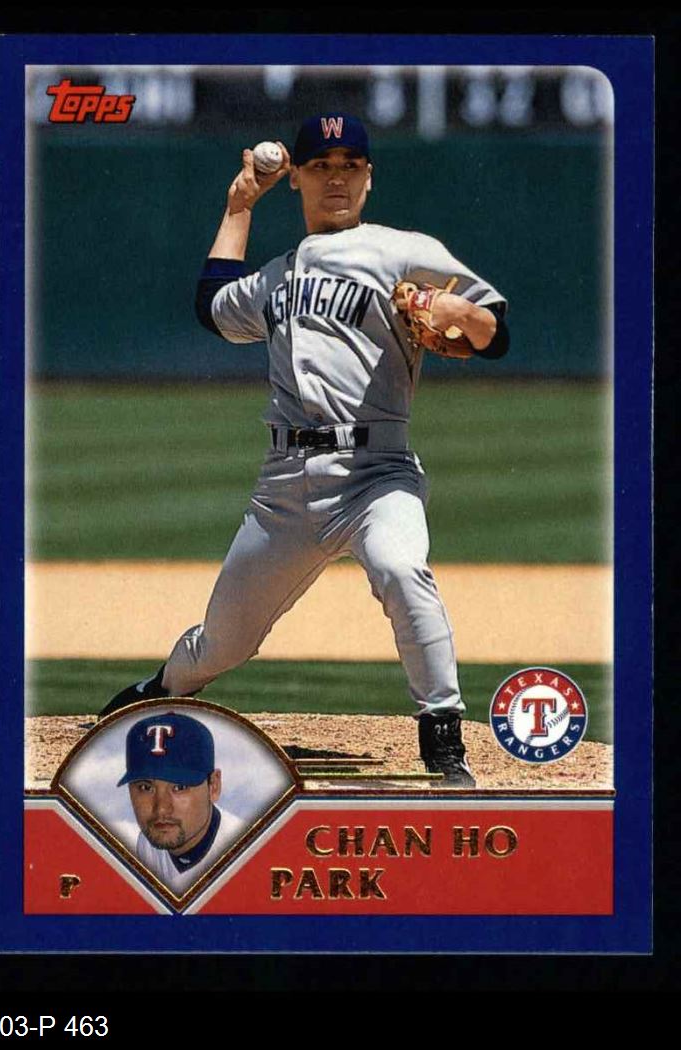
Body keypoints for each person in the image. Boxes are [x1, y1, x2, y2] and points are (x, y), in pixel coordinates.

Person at [102, 113, 510, 785]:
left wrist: (459, 313)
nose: (336, 177)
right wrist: (239, 206)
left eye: (350, 164)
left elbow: (496, 332)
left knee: (401, 568)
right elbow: (212, 306)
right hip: (286, 487)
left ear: (369, 176)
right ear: (295, 178)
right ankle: (162, 689)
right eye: (321, 165)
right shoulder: (278, 275)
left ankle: (442, 735)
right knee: (222, 643)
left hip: (378, 473)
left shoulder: (403, 250)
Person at [118, 711, 244, 892]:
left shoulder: (246, 853)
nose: (161, 809)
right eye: (146, 787)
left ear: (213, 786)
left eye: (179, 787)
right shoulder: (148, 845)